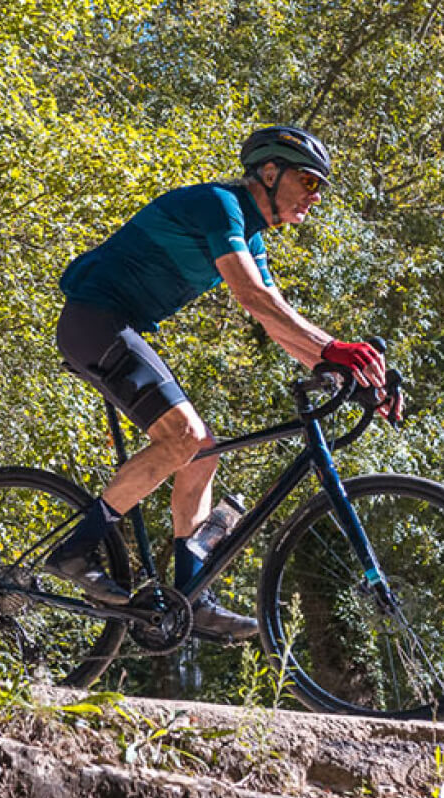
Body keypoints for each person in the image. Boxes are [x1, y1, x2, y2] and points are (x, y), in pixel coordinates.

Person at [46, 125, 393, 640]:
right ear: (269, 173)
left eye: (320, 186)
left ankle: (191, 594)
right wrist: (332, 351)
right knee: (184, 437)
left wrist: (348, 372)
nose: (314, 196)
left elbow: (276, 323)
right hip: (94, 320)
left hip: (113, 326)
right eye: (308, 181)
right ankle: (77, 548)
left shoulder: (251, 235)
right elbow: (254, 298)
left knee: (202, 450)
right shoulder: (219, 205)